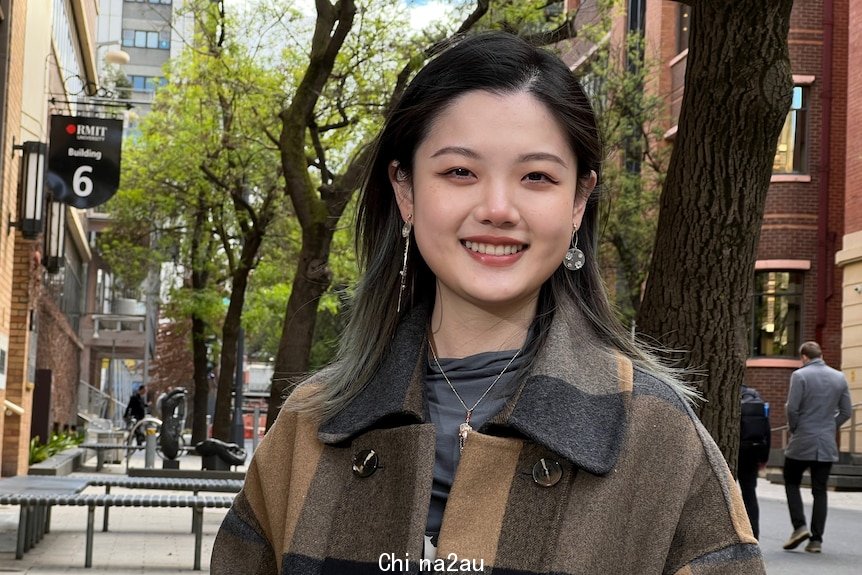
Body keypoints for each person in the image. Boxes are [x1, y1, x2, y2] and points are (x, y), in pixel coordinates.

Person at [212, 32, 764, 574]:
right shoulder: (312, 424)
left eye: (537, 177)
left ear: (578, 202)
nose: (498, 208)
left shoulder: (656, 433)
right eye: (459, 172)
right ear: (406, 191)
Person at [782, 341, 852, 553]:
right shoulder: (839, 377)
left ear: (804, 356)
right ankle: (816, 540)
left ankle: (799, 526)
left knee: (791, 481)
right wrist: (831, 427)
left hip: (803, 439)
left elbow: (792, 409)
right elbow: (846, 411)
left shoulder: (800, 376)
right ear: (820, 354)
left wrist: (795, 429)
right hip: (826, 442)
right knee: (820, 490)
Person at [738, 384, 771, 539]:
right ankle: (753, 534)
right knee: (749, 493)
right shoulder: (756, 397)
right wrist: (763, 458)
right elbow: (766, 430)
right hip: (752, 451)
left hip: (735, 449)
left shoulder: (729, 396)